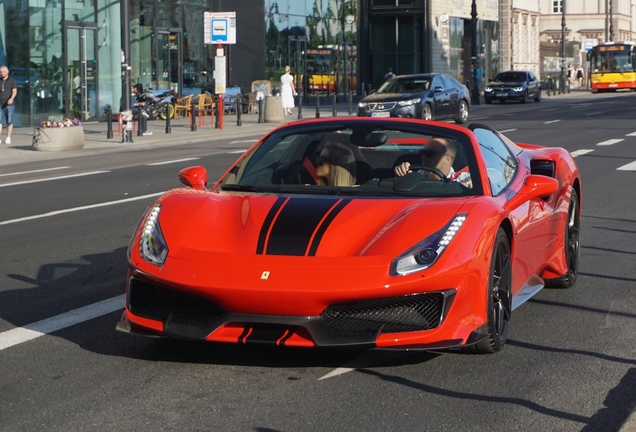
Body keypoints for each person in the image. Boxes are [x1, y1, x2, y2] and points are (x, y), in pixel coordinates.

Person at [394, 137, 471, 187]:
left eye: (431, 154)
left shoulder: (461, 178)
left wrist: (467, 184)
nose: (424, 156)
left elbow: (480, 181)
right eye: (424, 152)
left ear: (447, 159)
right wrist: (402, 173)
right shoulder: (412, 174)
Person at [0, 65, 17, 145]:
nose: (2, 73)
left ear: (7, 72)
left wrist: (11, 98)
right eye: (1, 72)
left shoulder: (12, 81)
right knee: (0, 121)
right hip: (0, 104)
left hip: (9, 105)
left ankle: (8, 137)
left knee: (9, 121)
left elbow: (14, 91)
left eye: (3, 71)